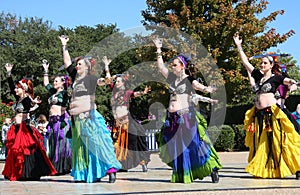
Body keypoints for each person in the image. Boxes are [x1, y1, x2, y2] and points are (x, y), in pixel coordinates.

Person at [152, 38, 222, 183]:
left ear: (182, 66)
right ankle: (183, 171)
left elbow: (199, 87)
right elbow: (160, 68)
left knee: (194, 145)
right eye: (172, 65)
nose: (172, 67)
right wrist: (158, 49)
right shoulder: (171, 79)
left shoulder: (190, 79)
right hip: (172, 118)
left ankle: (211, 168)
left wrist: (208, 89)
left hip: (186, 117)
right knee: (175, 146)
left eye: (175, 65)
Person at [233, 33, 300, 180]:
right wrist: (239, 46)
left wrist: (293, 84)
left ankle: (295, 165)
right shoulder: (258, 77)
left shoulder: (276, 78)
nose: (262, 65)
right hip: (259, 115)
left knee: (279, 142)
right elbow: (246, 63)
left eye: (265, 63)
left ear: (271, 65)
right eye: (261, 63)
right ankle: (266, 169)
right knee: (262, 144)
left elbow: (288, 81)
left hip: (273, 114)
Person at [59, 35, 121, 183]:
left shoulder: (91, 78)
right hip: (76, 119)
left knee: (97, 144)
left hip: (88, 117)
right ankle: (86, 173)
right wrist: (64, 46)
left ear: (87, 66)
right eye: (77, 64)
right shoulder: (75, 78)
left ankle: (110, 169)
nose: (77, 66)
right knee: (81, 148)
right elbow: (67, 62)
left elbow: (105, 81)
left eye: (80, 64)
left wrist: (107, 69)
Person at [2, 63, 56, 181]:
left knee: (26, 150)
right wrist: (9, 73)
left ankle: (28, 172)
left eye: (18, 88)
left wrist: (34, 103)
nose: (15, 89)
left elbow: (29, 105)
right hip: (16, 128)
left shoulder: (26, 98)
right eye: (16, 88)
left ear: (24, 88)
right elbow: (11, 87)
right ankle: (16, 172)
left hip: (24, 128)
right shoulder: (19, 99)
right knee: (15, 150)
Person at [100, 56, 151, 172]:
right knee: (117, 145)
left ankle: (142, 162)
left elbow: (135, 94)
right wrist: (107, 66)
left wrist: (143, 92)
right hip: (117, 123)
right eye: (116, 81)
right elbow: (108, 80)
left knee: (131, 144)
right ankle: (121, 164)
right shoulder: (114, 92)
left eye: (118, 81)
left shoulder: (126, 93)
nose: (116, 83)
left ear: (123, 83)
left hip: (126, 122)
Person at [42, 59, 73, 175]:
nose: (54, 83)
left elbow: (71, 90)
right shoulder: (52, 93)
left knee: (61, 144)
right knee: (53, 144)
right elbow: (46, 84)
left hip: (61, 121)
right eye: (54, 81)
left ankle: (62, 167)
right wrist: (45, 70)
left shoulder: (65, 93)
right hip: (52, 121)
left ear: (62, 83)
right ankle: (54, 166)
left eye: (56, 81)